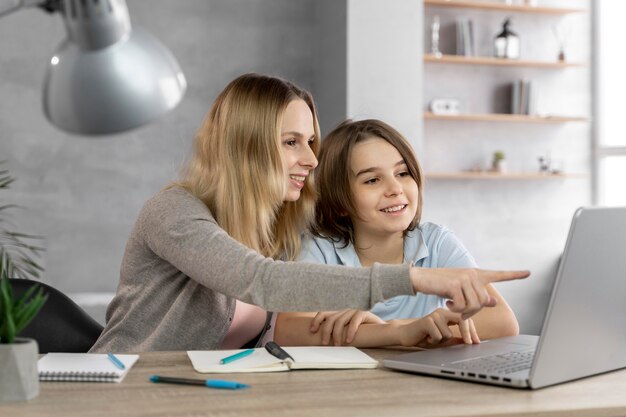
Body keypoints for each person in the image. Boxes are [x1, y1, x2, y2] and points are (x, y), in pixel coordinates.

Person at [90, 74, 529, 353]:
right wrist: (415, 278)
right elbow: (262, 282)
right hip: (127, 390)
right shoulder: (173, 212)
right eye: (291, 142)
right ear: (247, 145)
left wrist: (392, 331)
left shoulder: (275, 230)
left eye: (311, 142)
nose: (312, 159)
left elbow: (283, 331)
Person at [275, 119, 519, 348]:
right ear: (339, 203)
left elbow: (503, 322)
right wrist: (397, 333)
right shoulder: (320, 249)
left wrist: (415, 331)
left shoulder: (436, 243)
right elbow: (287, 331)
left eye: (402, 174)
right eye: (372, 180)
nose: (395, 189)